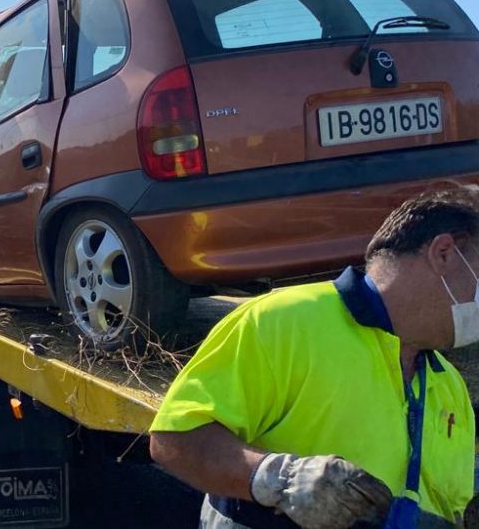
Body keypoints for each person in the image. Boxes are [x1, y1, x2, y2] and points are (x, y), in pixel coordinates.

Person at [150, 187, 477, 529]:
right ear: (443, 252)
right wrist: (278, 478)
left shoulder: (448, 384)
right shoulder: (284, 321)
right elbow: (175, 440)